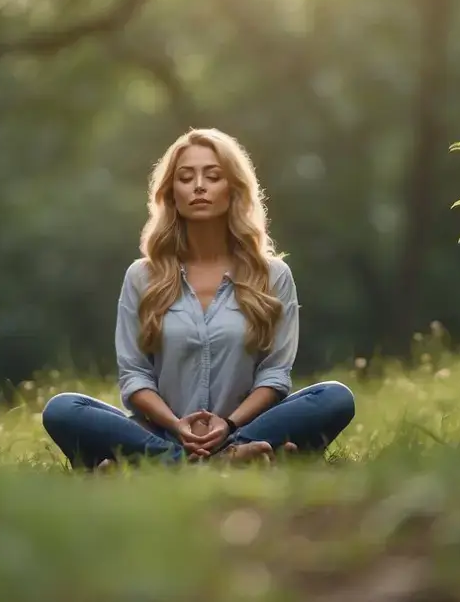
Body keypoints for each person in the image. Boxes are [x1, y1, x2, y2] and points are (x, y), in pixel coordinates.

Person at [41, 128, 356, 470]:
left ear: (233, 189)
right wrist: (176, 425)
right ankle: (214, 461)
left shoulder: (273, 275)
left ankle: (166, 463)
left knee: (334, 397)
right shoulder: (141, 276)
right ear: (171, 193)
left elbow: (275, 375)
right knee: (63, 409)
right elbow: (134, 376)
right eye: (186, 177)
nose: (199, 186)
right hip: (160, 432)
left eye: (213, 176)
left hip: (245, 428)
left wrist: (230, 424)